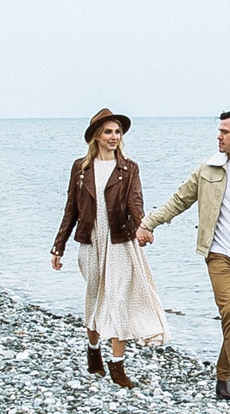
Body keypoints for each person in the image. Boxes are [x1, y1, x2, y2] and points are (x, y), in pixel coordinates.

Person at [139, 109, 230, 406]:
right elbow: (180, 200)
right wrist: (148, 223)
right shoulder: (208, 169)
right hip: (219, 256)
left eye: (224, 132)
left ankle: (221, 380)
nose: (218, 137)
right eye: (219, 131)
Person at [50, 108, 167, 388]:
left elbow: (135, 203)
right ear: (97, 137)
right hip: (91, 242)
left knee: (117, 300)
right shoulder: (81, 168)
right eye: (108, 132)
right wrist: (59, 246)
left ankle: (118, 366)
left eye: (117, 132)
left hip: (119, 241)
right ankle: (93, 351)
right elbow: (71, 210)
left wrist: (143, 227)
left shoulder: (129, 168)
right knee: (94, 298)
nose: (114, 137)